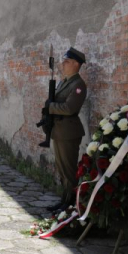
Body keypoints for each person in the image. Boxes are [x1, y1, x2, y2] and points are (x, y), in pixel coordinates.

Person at [46, 48, 88, 213]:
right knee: (62, 168)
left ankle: (70, 203)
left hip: (69, 132)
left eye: (67, 61)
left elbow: (70, 108)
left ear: (76, 64)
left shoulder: (78, 85)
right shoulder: (65, 81)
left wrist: (51, 106)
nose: (63, 64)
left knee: (69, 170)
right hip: (59, 131)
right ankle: (64, 200)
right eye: (63, 60)